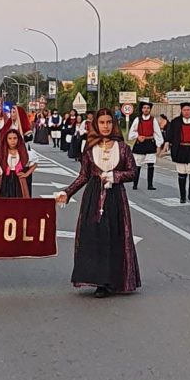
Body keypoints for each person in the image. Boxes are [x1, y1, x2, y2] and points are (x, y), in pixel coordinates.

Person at [56, 109, 141, 298]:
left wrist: (115, 176)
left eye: (109, 122)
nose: (105, 126)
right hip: (94, 197)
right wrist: (67, 192)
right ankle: (100, 281)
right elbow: (83, 176)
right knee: (96, 236)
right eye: (102, 122)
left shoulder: (123, 148)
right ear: (96, 124)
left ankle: (116, 279)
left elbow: (133, 172)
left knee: (115, 235)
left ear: (113, 124)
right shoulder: (89, 148)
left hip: (115, 197)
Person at [166, 102, 190, 203]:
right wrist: (168, 144)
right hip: (180, 149)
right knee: (181, 172)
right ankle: (182, 195)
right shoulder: (175, 122)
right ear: (181, 111)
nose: (186, 112)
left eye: (188, 110)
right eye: (184, 110)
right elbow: (170, 135)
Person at [128, 101, 164, 190]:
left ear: (150, 110)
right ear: (142, 109)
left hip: (150, 143)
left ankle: (150, 185)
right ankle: (135, 184)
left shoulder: (153, 120)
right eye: (144, 108)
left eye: (148, 108)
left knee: (151, 165)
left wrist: (158, 145)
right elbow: (131, 132)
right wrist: (138, 136)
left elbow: (157, 132)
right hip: (140, 143)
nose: (146, 110)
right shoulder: (138, 119)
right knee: (138, 165)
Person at [0, 129, 37, 198]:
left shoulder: (22, 151)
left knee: (19, 200)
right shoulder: (2, 151)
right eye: (10, 138)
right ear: (6, 140)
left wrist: (26, 174)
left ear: (18, 139)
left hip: (19, 179)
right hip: (4, 179)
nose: (12, 140)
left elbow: (34, 164)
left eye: (15, 138)